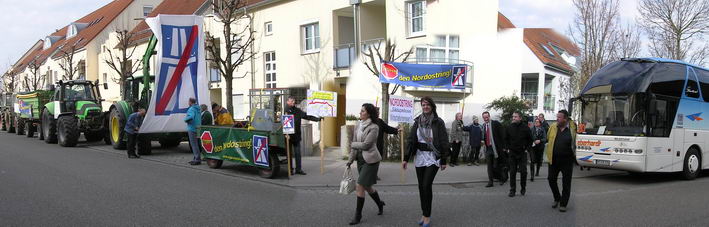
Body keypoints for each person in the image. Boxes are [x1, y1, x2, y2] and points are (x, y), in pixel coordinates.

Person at [403, 96, 449, 227]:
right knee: (420, 187)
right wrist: (406, 158)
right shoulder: (417, 121)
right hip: (420, 157)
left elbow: (443, 140)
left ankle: (427, 216)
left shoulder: (438, 122)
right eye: (423, 105)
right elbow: (411, 140)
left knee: (426, 185)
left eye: (427, 104)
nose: (425, 107)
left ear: (432, 106)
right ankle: (424, 214)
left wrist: (444, 159)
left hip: (433, 157)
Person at [346, 103, 385, 225]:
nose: (360, 113)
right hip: (360, 160)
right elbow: (355, 144)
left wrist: (352, 144)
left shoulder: (374, 127)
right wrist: (350, 160)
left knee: (360, 185)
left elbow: (366, 145)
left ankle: (358, 216)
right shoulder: (358, 124)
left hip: (371, 160)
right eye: (360, 110)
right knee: (367, 186)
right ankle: (380, 203)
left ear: (368, 113)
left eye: (363, 111)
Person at [546, 110, 577, 212]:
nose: (557, 119)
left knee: (566, 183)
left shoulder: (573, 128)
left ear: (565, 119)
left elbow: (577, 141)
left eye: (559, 117)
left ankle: (563, 204)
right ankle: (557, 197)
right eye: (557, 117)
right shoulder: (553, 127)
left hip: (567, 161)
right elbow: (548, 138)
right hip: (553, 159)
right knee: (551, 179)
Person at [285, 96, 321, 175]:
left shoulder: (297, 111)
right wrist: (285, 134)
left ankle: (298, 169)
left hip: (296, 135)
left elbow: (307, 116)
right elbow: (283, 123)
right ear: (287, 102)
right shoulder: (285, 110)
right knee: (289, 154)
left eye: (294, 101)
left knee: (298, 153)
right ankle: (289, 169)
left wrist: (317, 119)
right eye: (291, 101)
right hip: (288, 136)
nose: (293, 102)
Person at [504, 112, 533, 197]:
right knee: (512, 172)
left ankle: (523, 188)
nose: (513, 118)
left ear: (520, 118)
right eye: (513, 116)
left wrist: (527, 149)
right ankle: (512, 190)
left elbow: (530, 140)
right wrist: (508, 149)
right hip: (512, 153)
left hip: (522, 153)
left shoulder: (525, 128)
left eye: (515, 117)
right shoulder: (509, 127)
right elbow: (505, 139)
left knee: (523, 172)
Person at [481, 111, 506, 187]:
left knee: (497, 166)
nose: (485, 119)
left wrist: (504, 147)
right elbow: (484, 136)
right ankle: (490, 182)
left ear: (489, 116)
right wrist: (482, 140)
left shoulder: (496, 124)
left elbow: (502, 135)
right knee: (489, 166)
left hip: (496, 148)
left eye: (487, 117)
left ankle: (502, 179)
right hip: (488, 148)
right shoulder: (484, 125)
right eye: (484, 117)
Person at [185, 98, 202, 165]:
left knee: (194, 144)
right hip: (198, 127)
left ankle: (197, 159)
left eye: (188, 101)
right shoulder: (198, 109)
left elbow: (191, 116)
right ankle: (196, 157)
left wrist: (185, 119)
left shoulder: (191, 109)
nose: (188, 103)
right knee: (197, 143)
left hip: (192, 128)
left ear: (190, 102)